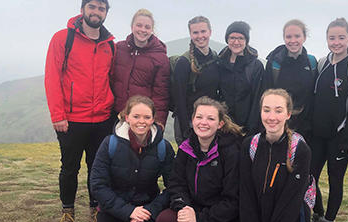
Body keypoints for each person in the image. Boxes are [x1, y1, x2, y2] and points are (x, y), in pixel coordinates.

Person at [222, 89, 313, 222]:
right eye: (266, 110)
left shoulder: (299, 149)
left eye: (278, 110)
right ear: (260, 112)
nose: (272, 116)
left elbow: (289, 207)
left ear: (288, 114)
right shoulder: (250, 145)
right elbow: (247, 197)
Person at [44, 0, 116, 222]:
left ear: (106, 13)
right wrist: (57, 115)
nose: (97, 12)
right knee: (69, 168)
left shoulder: (110, 44)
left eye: (101, 8)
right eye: (92, 7)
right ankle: (67, 212)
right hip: (72, 120)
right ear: (82, 9)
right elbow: (52, 78)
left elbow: (112, 79)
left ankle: (95, 210)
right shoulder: (63, 39)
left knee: (97, 168)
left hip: (102, 119)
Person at [156, 97, 242, 222]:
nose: (203, 122)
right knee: (163, 220)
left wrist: (199, 218)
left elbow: (233, 201)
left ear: (220, 124)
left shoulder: (231, 151)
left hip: (223, 221)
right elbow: (176, 184)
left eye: (210, 119)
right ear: (192, 119)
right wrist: (184, 209)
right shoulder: (186, 148)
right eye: (199, 117)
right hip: (195, 212)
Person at [90, 96, 174, 222]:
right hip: (112, 207)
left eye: (146, 117)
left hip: (144, 207)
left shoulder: (163, 147)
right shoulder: (109, 144)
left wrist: (151, 210)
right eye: (136, 116)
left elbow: (173, 186)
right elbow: (98, 184)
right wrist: (127, 211)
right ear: (126, 117)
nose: (141, 122)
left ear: (153, 119)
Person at [310, 18, 348, 222]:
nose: (336, 42)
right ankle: (317, 214)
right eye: (332, 38)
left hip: (339, 136)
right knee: (309, 176)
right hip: (317, 133)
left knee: (336, 179)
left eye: (341, 37)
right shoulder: (323, 63)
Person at [110, 9, 170, 129]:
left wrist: (158, 122)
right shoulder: (119, 49)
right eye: (139, 25)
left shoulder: (160, 57)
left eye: (147, 27)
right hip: (115, 115)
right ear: (132, 27)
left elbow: (161, 93)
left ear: (152, 30)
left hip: (142, 119)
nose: (143, 30)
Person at [262, 19, 317, 140]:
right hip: (278, 122)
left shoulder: (312, 62)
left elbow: (313, 94)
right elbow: (267, 93)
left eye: (297, 36)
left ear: (304, 37)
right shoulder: (274, 62)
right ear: (284, 38)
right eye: (288, 37)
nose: (293, 41)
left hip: (304, 124)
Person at [172, 16, 221, 144]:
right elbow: (179, 99)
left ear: (210, 32)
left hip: (209, 122)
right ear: (190, 34)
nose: (200, 36)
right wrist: (186, 129)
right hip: (188, 122)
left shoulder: (216, 59)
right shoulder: (184, 63)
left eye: (203, 31)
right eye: (195, 32)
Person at [218, 21, 265, 135]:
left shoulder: (255, 66)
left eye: (240, 38)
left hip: (248, 128)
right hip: (224, 126)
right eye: (232, 37)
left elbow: (257, 99)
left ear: (246, 41)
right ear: (227, 40)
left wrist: (252, 128)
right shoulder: (220, 63)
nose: (236, 42)